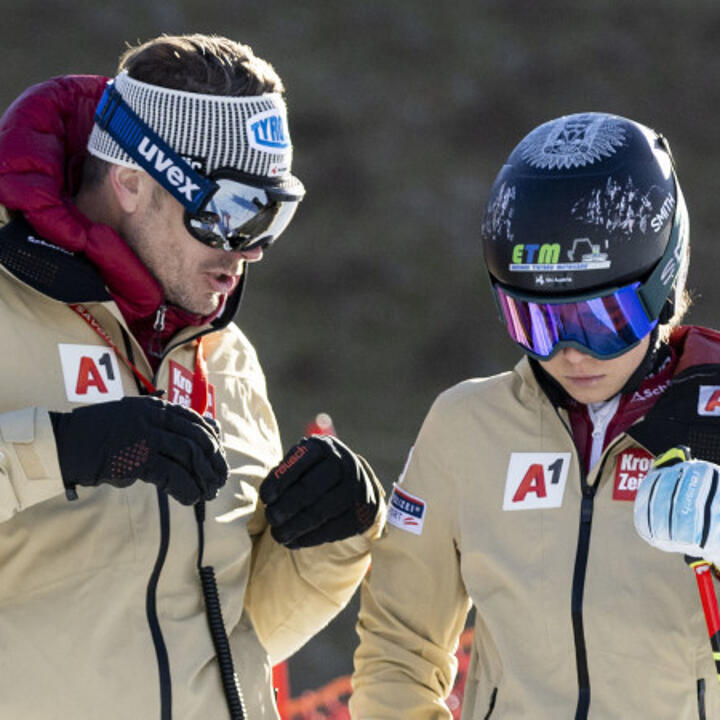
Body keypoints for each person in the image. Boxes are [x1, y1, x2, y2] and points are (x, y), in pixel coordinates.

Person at [0, 34, 385, 719]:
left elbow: (244, 631)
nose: (253, 250)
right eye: (232, 213)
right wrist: (58, 453)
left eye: (274, 215)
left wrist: (336, 538)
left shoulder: (222, 356)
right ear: (130, 180)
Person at [350, 112, 720, 719]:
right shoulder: (465, 427)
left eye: (602, 322)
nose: (570, 353)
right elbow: (400, 644)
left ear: (662, 285)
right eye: (537, 322)